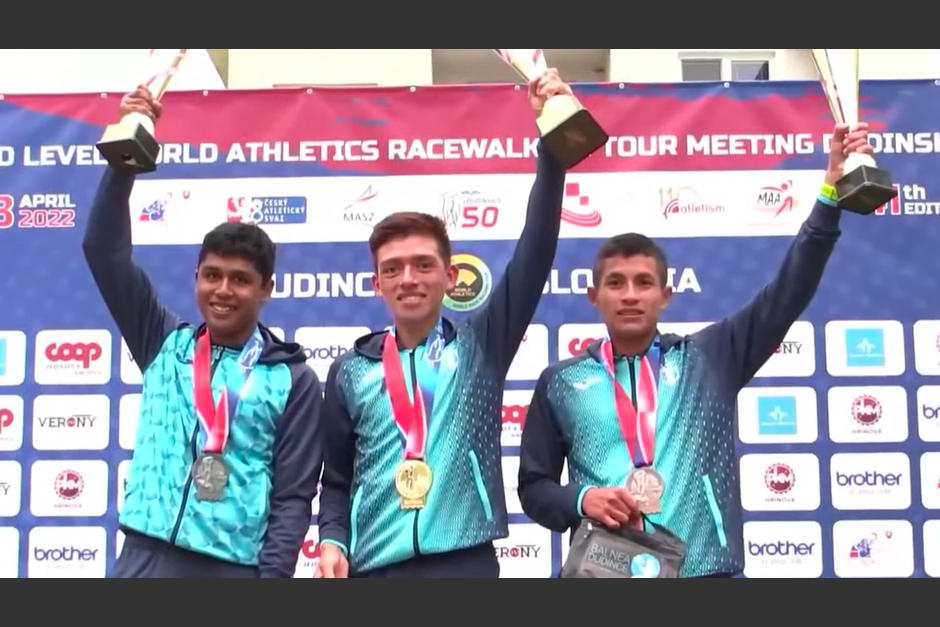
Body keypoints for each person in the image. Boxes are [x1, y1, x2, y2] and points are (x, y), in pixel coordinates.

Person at [517, 122, 874, 578]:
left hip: (704, 570)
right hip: (605, 574)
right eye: (616, 283)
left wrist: (829, 195)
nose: (630, 295)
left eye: (644, 283)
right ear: (594, 296)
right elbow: (534, 488)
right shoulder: (562, 382)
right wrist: (582, 499)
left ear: (666, 295)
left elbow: (789, 291)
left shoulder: (711, 359)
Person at [314, 70, 570, 578]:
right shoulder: (349, 371)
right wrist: (332, 542)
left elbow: (536, 251)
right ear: (376, 283)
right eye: (393, 269)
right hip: (373, 570)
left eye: (423, 265)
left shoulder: (481, 345)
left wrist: (552, 146)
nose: (408, 279)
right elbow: (337, 479)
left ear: (450, 276)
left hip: (465, 565)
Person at [83, 86, 323, 578]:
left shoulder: (293, 381)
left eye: (241, 280)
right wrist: (125, 160)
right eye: (212, 275)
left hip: (230, 569)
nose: (223, 290)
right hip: (142, 560)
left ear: (267, 290)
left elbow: (293, 496)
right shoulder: (161, 342)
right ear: (195, 279)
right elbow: (102, 250)